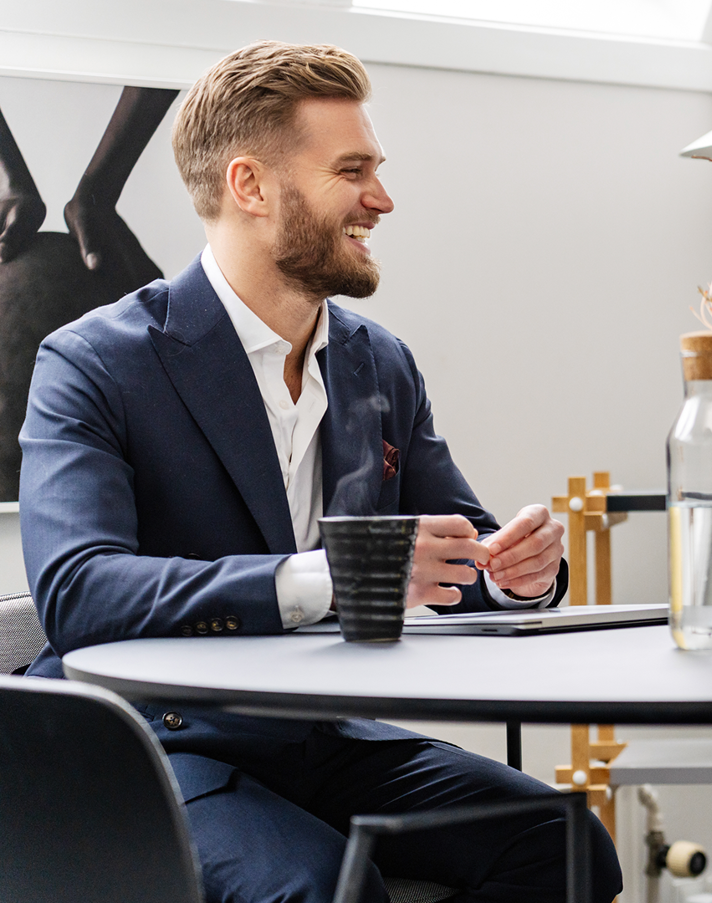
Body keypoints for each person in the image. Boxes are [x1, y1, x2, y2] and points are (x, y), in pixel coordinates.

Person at [19, 41, 621, 903]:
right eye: (353, 170)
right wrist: (331, 577)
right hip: (157, 744)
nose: (382, 198)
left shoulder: (381, 362)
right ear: (250, 186)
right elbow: (80, 592)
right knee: (321, 889)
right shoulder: (92, 361)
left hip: (324, 737)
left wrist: (521, 572)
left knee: (564, 844)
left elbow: (460, 547)